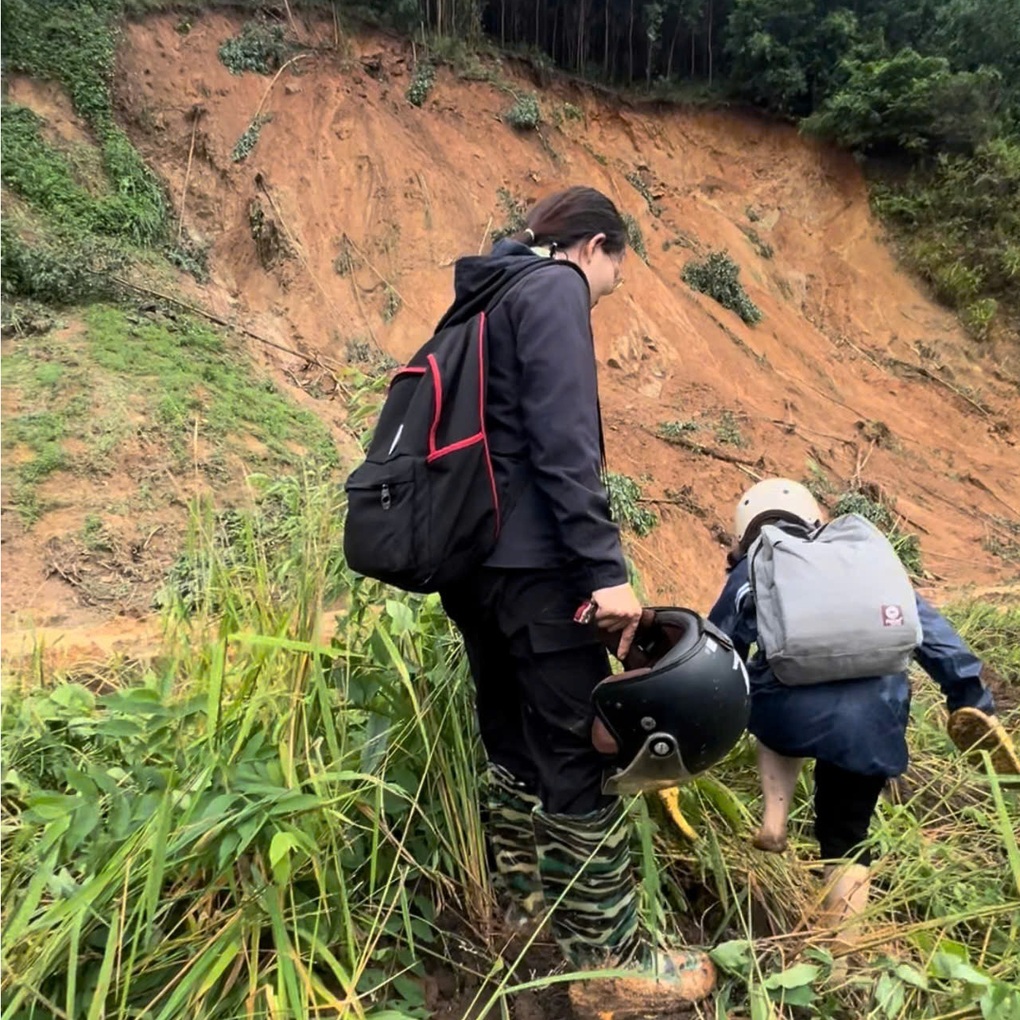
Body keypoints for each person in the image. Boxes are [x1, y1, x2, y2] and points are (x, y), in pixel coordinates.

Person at [438, 186, 716, 1009]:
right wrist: (603, 570)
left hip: (471, 564)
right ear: (595, 247)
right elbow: (565, 445)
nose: (609, 288)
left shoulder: (482, 297)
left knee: (511, 734)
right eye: (615, 272)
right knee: (578, 748)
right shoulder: (554, 287)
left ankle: (524, 909)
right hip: (537, 567)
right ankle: (610, 967)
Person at [707, 478, 1017, 944]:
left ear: (745, 531)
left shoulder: (755, 566)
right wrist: (970, 699)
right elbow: (934, 637)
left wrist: (696, 720)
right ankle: (845, 952)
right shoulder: (866, 561)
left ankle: (774, 819)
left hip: (787, 715)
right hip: (873, 718)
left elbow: (717, 651)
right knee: (846, 834)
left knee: (767, 692)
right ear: (814, 519)